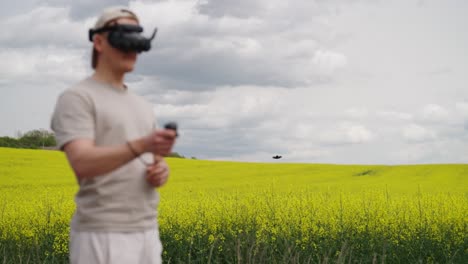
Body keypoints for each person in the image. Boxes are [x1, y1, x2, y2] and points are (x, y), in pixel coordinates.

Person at [50, 6, 176, 264]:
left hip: (147, 231)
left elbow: (153, 161)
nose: (131, 50)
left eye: (136, 42)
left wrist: (160, 172)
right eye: (123, 39)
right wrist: (142, 145)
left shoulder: (142, 105)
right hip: (102, 233)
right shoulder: (78, 98)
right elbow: (82, 162)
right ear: (98, 41)